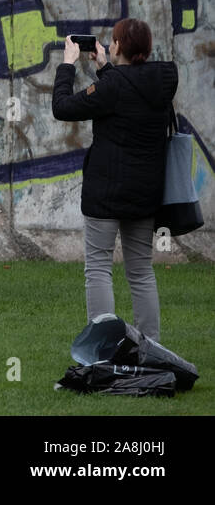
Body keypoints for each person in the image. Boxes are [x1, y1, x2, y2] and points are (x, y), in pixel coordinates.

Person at [52, 20, 178, 341]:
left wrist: (67, 65)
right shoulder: (161, 82)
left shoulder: (113, 87)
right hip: (145, 194)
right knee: (140, 272)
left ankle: (104, 350)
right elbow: (128, 93)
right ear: (147, 50)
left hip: (106, 194)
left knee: (98, 268)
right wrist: (105, 67)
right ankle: (151, 347)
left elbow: (63, 107)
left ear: (118, 46)